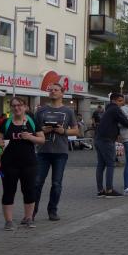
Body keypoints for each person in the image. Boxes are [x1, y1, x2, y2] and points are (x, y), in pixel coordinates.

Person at [0, 97, 45, 230]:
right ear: (11, 108)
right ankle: (8, 221)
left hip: (29, 163)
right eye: (14, 106)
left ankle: (28, 218)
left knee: (29, 191)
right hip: (9, 164)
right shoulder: (5, 123)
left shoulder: (32, 121)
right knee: (8, 191)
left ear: (25, 107)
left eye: (19, 105)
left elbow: (42, 139)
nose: (17, 108)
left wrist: (30, 137)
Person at [34, 83, 78, 221]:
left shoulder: (68, 111)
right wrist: (42, 130)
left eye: (56, 90)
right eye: (51, 90)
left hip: (60, 152)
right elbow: (33, 129)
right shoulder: (41, 110)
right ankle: (32, 211)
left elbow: (76, 131)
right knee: (37, 183)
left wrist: (63, 131)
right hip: (43, 151)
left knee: (56, 184)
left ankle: (52, 211)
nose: (53, 91)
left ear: (62, 93)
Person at [95, 93, 128, 198]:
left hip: (99, 139)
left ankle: (100, 190)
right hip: (107, 139)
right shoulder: (115, 109)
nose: (122, 103)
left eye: (122, 100)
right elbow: (125, 122)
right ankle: (109, 190)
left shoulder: (108, 109)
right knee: (110, 164)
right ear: (113, 101)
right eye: (120, 101)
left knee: (101, 165)